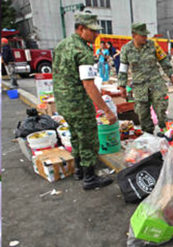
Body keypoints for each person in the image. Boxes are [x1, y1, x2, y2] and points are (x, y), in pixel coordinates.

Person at [53, 13, 116, 190]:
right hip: (78, 104)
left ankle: (79, 170)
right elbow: (89, 85)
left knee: (76, 135)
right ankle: (90, 178)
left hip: (63, 102)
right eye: (93, 31)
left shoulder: (62, 45)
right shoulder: (82, 51)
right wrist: (107, 110)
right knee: (88, 139)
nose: (96, 35)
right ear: (81, 29)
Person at [117, 23, 173, 134]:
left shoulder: (153, 45)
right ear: (134, 35)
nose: (145, 38)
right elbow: (123, 69)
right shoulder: (126, 49)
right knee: (142, 113)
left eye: (146, 35)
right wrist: (122, 86)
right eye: (142, 35)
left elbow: (164, 61)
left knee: (161, 109)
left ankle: (165, 133)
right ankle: (148, 136)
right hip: (139, 86)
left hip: (156, 83)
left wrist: (172, 75)